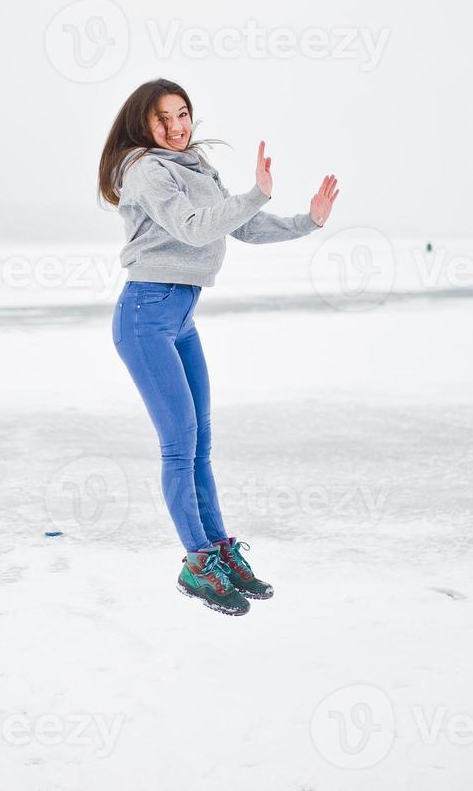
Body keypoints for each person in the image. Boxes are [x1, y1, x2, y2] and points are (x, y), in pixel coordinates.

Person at [97, 79, 339, 616]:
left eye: (184, 114)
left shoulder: (196, 167)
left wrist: (308, 221)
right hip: (145, 316)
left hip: (180, 318)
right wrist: (255, 192)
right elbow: (190, 227)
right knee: (179, 444)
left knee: (201, 442)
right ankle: (196, 563)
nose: (178, 126)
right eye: (164, 118)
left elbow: (242, 228)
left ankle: (219, 551)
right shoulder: (145, 170)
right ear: (143, 123)